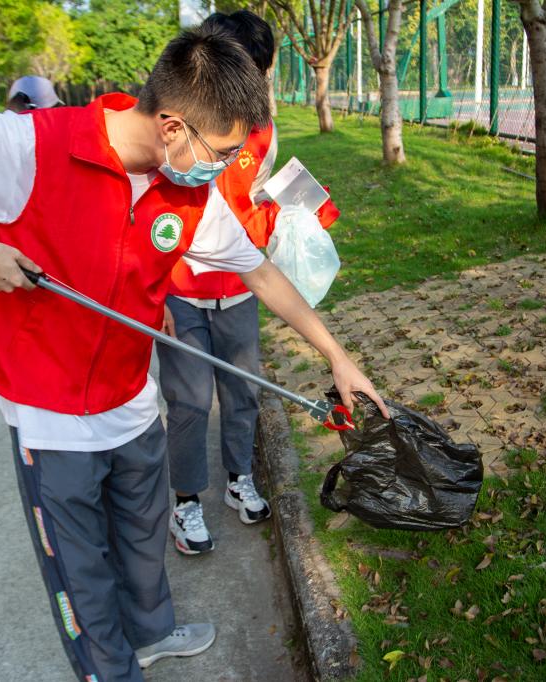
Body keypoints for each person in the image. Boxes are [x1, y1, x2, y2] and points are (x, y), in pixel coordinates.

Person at [0, 25, 386, 682]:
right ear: (172, 126)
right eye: (221, 153)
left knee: (141, 531)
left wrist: (336, 355)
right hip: (50, 411)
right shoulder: (30, 145)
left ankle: (152, 632)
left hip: (129, 394)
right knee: (80, 568)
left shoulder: (189, 191)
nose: (224, 169)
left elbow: (260, 272)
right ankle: (108, 669)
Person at [159, 9, 339, 555]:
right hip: (180, 288)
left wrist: (295, 210)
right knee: (189, 401)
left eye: (258, 73)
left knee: (242, 391)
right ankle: (186, 501)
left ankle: (240, 477)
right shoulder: (175, 125)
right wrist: (154, 292)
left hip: (239, 285)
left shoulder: (261, 131)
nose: (251, 84)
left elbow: (255, 192)